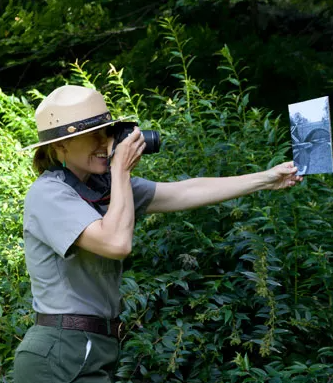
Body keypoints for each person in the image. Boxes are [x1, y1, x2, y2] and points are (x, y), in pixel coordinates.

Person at [14, 85, 303, 383]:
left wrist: (266, 179)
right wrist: (121, 171)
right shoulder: (49, 194)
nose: (107, 142)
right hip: (59, 354)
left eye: (109, 132)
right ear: (61, 145)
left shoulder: (103, 186)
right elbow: (116, 243)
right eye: (94, 135)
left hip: (92, 347)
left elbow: (185, 191)